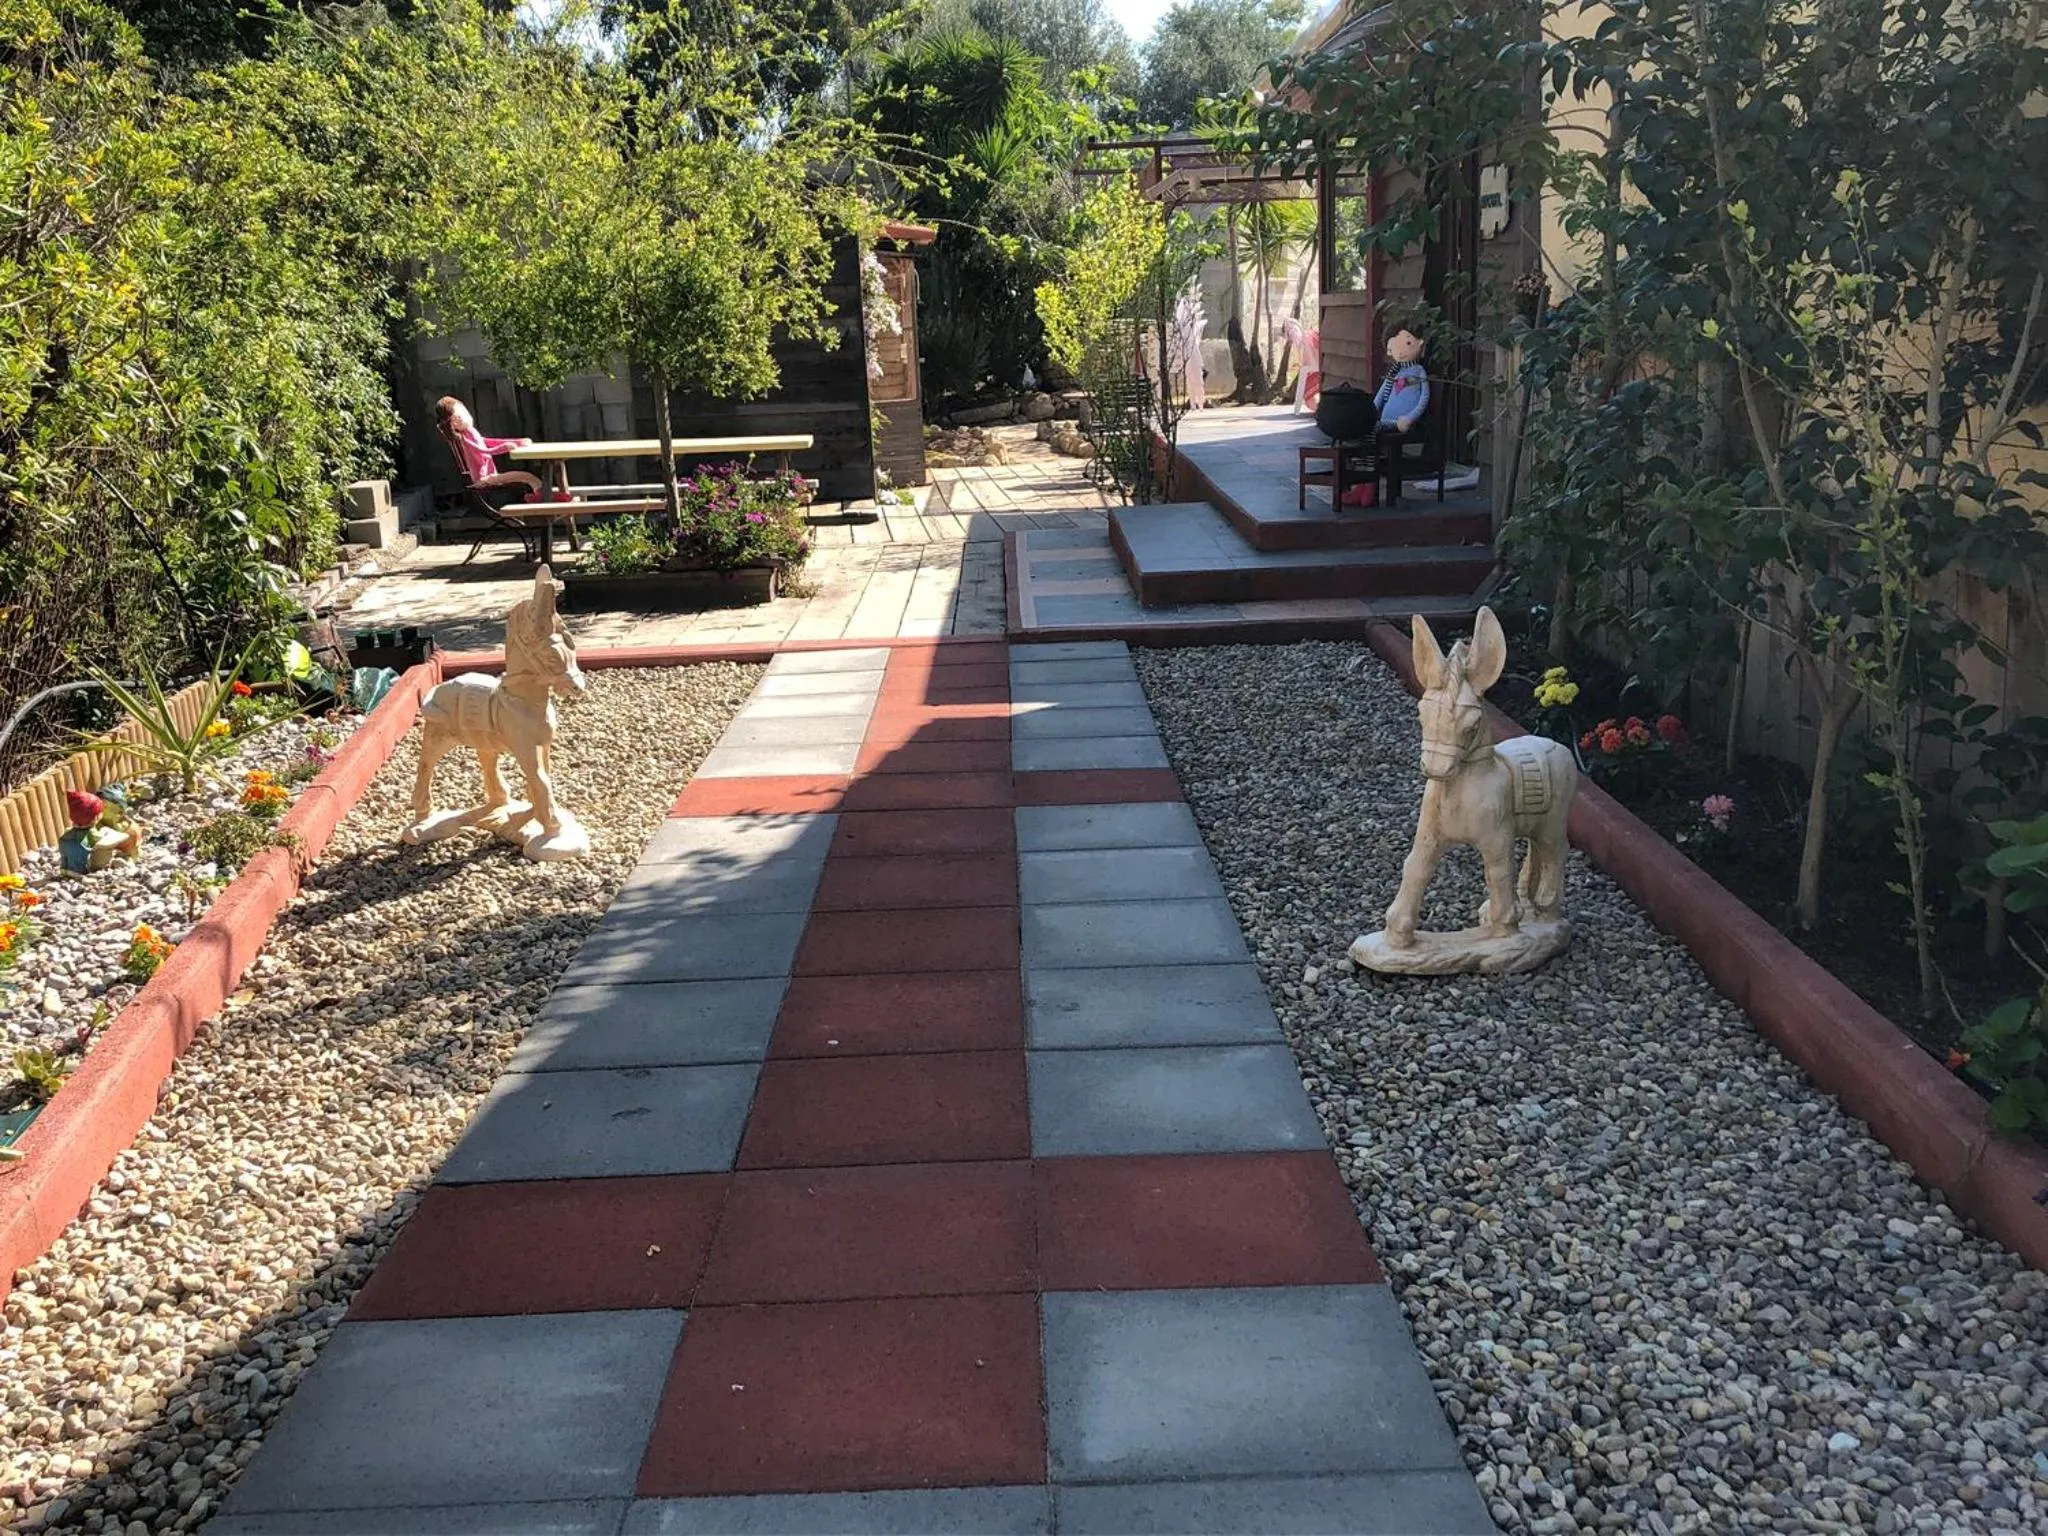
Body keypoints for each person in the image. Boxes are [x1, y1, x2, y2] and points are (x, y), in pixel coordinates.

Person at [435, 396, 543, 505]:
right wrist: (505, 447)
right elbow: (483, 450)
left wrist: (517, 442)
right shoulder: (466, 437)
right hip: (485, 479)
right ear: (454, 424)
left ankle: (539, 496)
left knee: (528, 477)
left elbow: (488, 442)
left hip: (489, 476)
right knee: (528, 477)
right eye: (459, 416)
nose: (466, 415)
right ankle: (542, 497)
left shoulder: (470, 432)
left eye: (464, 411)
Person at [1372, 328, 1430, 507]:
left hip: (1402, 422)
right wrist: (1369, 413)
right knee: (1366, 434)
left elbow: (1424, 398)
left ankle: (1370, 487)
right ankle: (1365, 484)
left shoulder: (1418, 372)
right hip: (1386, 420)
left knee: (1375, 432)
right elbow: (1380, 397)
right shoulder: (1394, 373)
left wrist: (1410, 418)